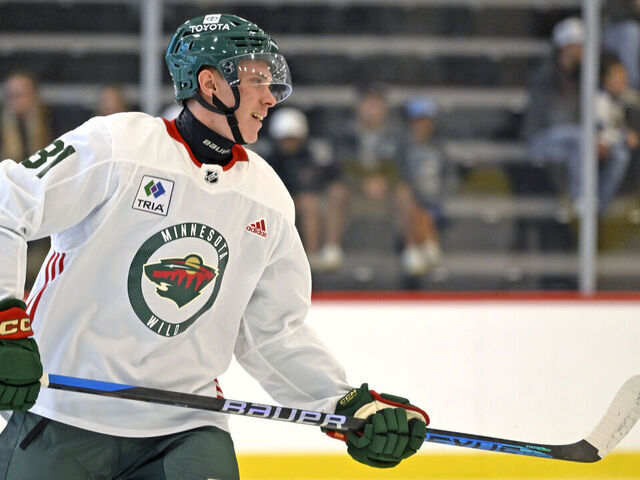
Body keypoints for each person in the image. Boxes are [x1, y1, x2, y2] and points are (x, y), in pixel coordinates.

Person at [0, 14, 428, 480]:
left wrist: (345, 404)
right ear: (210, 83)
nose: (272, 97)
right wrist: (5, 320)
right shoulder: (117, 146)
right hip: (62, 413)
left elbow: (274, 333)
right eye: (258, 80)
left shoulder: (266, 196)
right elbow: (7, 203)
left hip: (185, 426)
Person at [265, 107, 348, 271]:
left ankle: (325, 250)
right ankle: (309, 253)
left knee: (318, 199)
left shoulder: (315, 153)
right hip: (281, 201)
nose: (290, 143)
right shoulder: (270, 157)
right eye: (285, 139)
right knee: (307, 202)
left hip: (315, 197)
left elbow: (335, 177)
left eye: (293, 138)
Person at [521, 16, 584, 207]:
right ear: (566, 47)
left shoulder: (584, 75)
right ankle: (580, 197)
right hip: (541, 138)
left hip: (569, 141)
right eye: (578, 46)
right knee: (581, 138)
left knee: (583, 143)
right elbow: (547, 117)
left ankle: (578, 199)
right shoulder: (544, 74)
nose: (583, 51)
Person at [396, 97, 445, 276]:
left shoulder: (440, 148)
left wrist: (442, 198)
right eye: (416, 121)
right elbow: (399, 175)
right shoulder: (402, 147)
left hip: (435, 200)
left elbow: (450, 178)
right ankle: (425, 244)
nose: (420, 125)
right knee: (409, 201)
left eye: (425, 120)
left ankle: (416, 249)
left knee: (418, 208)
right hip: (413, 199)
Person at [595, 53, 640, 213]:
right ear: (605, 79)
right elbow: (602, 133)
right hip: (602, 151)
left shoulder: (622, 98)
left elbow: (633, 98)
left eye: (624, 77)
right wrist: (623, 136)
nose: (623, 82)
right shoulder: (599, 100)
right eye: (618, 78)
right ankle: (599, 206)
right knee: (621, 155)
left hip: (615, 145)